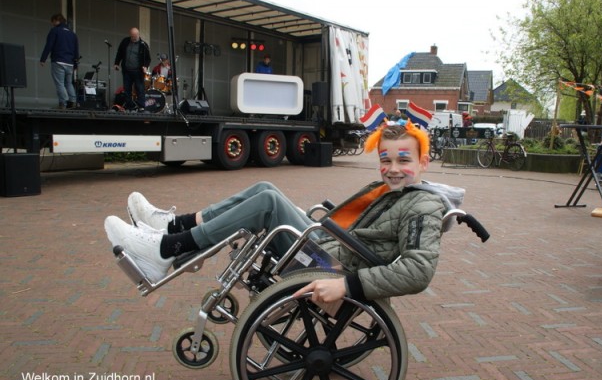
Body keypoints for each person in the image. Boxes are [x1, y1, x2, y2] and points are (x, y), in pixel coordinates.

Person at [104, 119, 464, 302]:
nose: (393, 168)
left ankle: (167, 250)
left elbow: (418, 271)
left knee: (267, 202)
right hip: (329, 243)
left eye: (404, 159)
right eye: (386, 159)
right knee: (265, 188)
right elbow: (346, 222)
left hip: (332, 264)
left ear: (424, 162)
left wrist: (347, 286)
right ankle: (173, 228)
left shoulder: (423, 204)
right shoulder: (388, 189)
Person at [39, 13, 80, 109]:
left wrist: (43, 59)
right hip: (69, 63)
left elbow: (49, 45)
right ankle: (73, 101)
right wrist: (75, 64)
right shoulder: (72, 34)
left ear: (56, 21)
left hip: (58, 61)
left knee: (60, 83)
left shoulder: (55, 31)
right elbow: (76, 50)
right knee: (68, 83)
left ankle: (63, 102)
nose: (52, 24)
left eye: (53, 21)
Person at [113, 27, 151, 112]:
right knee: (127, 89)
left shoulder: (143, 45)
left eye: (134, 36)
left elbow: (148, 58)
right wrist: (116, 63)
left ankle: (141, 106)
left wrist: (145, 66)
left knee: (140, 89)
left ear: (138, 35)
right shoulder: (125, 41)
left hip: (138, 71)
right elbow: (119, 53)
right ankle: (129, 106)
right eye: (132, 36)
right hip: (127, 70)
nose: (133, 38)